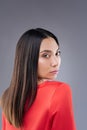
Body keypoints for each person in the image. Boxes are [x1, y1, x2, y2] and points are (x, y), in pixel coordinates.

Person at [1, 28, 76, 130]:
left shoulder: (8, 97)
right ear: (28, 59)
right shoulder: (59, 91)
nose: (55, 62)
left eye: (57, 53)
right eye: (45, 55)